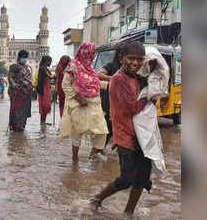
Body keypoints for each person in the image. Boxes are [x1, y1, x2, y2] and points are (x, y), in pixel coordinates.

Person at [90, 41, 153, 216]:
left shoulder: (138, 78)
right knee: (126, 179)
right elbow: (133, 108)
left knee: (142, 179)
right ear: (121, 58)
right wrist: (151, 96)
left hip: (143, 137)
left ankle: (128, 213)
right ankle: (96, 199)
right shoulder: (118, 79)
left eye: (139, 59)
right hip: (126, 137)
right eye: (131, 58)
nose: (135, 63)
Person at [60, 42, 108, 161]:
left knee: (101, 130)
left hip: (95, 104)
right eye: (91, 53)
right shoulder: (74, 66)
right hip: (80, 103)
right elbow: (65, 85)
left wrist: (109, 85)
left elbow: (93, 84)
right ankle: (75, 159)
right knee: (77, 131)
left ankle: (94, 153)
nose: (92, 56)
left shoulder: (90, 68)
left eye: (93, 54)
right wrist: (78, 98)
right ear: (84, 52)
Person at [97, 49, 121, 147]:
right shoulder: (111, 65)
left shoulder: (129, 68)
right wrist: (112, 79)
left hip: (122, 102)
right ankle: (98, 149)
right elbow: (99, 74)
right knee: (108, 127)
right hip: (110, 101)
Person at [8, 50, 33, 132]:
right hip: (17, 92)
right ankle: (15, 126)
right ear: (19, 57)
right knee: (16, 109)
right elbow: (10, 77)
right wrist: (14, 85)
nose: (25, 59)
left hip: (26, 92)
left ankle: (22, 126)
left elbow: (29, 79)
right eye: (23, 57)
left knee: (24, 110)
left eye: (26, 57)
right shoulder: (14, 66)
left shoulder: (28, 67)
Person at [37, 55, 53, 125]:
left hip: (46, 89)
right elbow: (50, 76)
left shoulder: (45, 68)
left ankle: (43, 122)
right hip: (43, 89)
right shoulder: (42, 69)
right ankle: (42, 122)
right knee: (44, 106)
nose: (50, 63)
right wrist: (55, 76)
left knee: (46, 107)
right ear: (46, 61)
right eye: (50, 61)